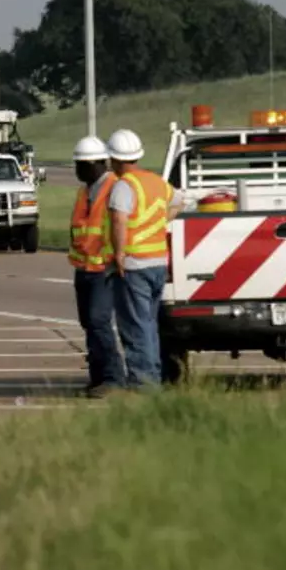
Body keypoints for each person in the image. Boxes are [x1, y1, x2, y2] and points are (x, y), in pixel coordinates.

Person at [106, 129, 182, 388]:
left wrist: (118, 253)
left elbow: (119, 219)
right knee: (148, 324)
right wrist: (158, 222)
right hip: (158, 261)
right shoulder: (156, 182)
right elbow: (179, 201)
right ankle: (152, 374)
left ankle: (143, 382)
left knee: (135, 326)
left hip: (134, 264)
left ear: (114, 160)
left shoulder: (123, 186)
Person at [68, 136, 125, 398]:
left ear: (96, 164)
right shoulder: (85, 191)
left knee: (99, 321)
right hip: (84, 267)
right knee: (89, 324)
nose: (77, 170)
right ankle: (98, 378)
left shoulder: (114, 187)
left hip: (103, 268)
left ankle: (113, 378)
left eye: (81, 164)